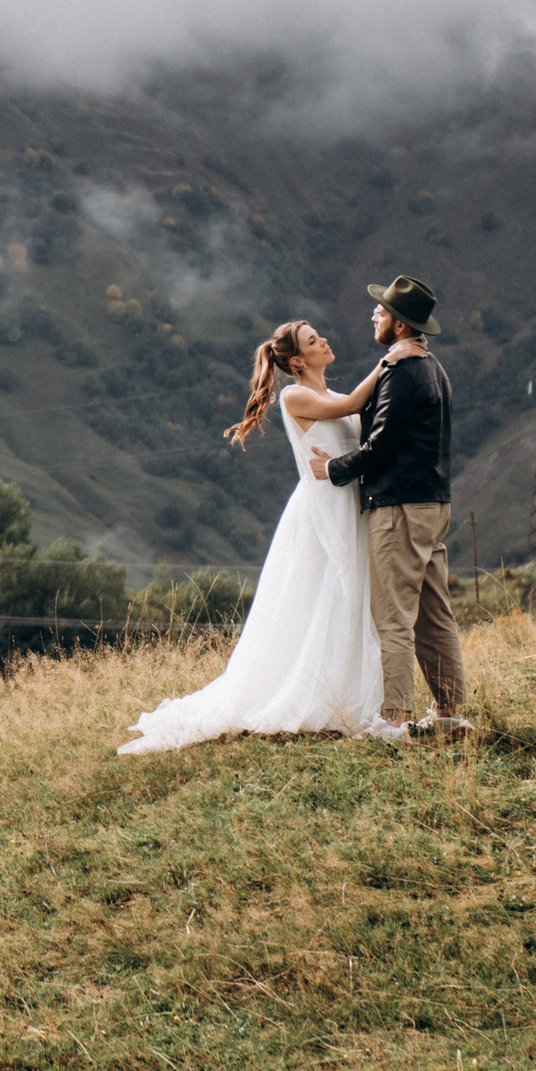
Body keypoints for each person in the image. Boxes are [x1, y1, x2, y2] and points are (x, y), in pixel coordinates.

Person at [117, 317, 406, 753]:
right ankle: (323, 694)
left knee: (347, 596)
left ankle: (352, 695)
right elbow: (351, 408)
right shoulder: (296, 396)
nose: (324, 340)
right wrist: (392, 360)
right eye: (313, 341)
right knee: (326, 595)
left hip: (348, 505)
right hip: (321, 512)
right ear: (296, 360)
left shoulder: (328, 392)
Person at [311, 275, 469, 737]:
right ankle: (449, 714)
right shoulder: (432, 368)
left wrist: (333, 470)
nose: (374, 315)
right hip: (433, 503)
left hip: (399, 506)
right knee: (435, 612)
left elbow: (380, 447)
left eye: (381, 312)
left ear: (399, 325)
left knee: (393, 617)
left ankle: (393, 718)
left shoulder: (404, 372)